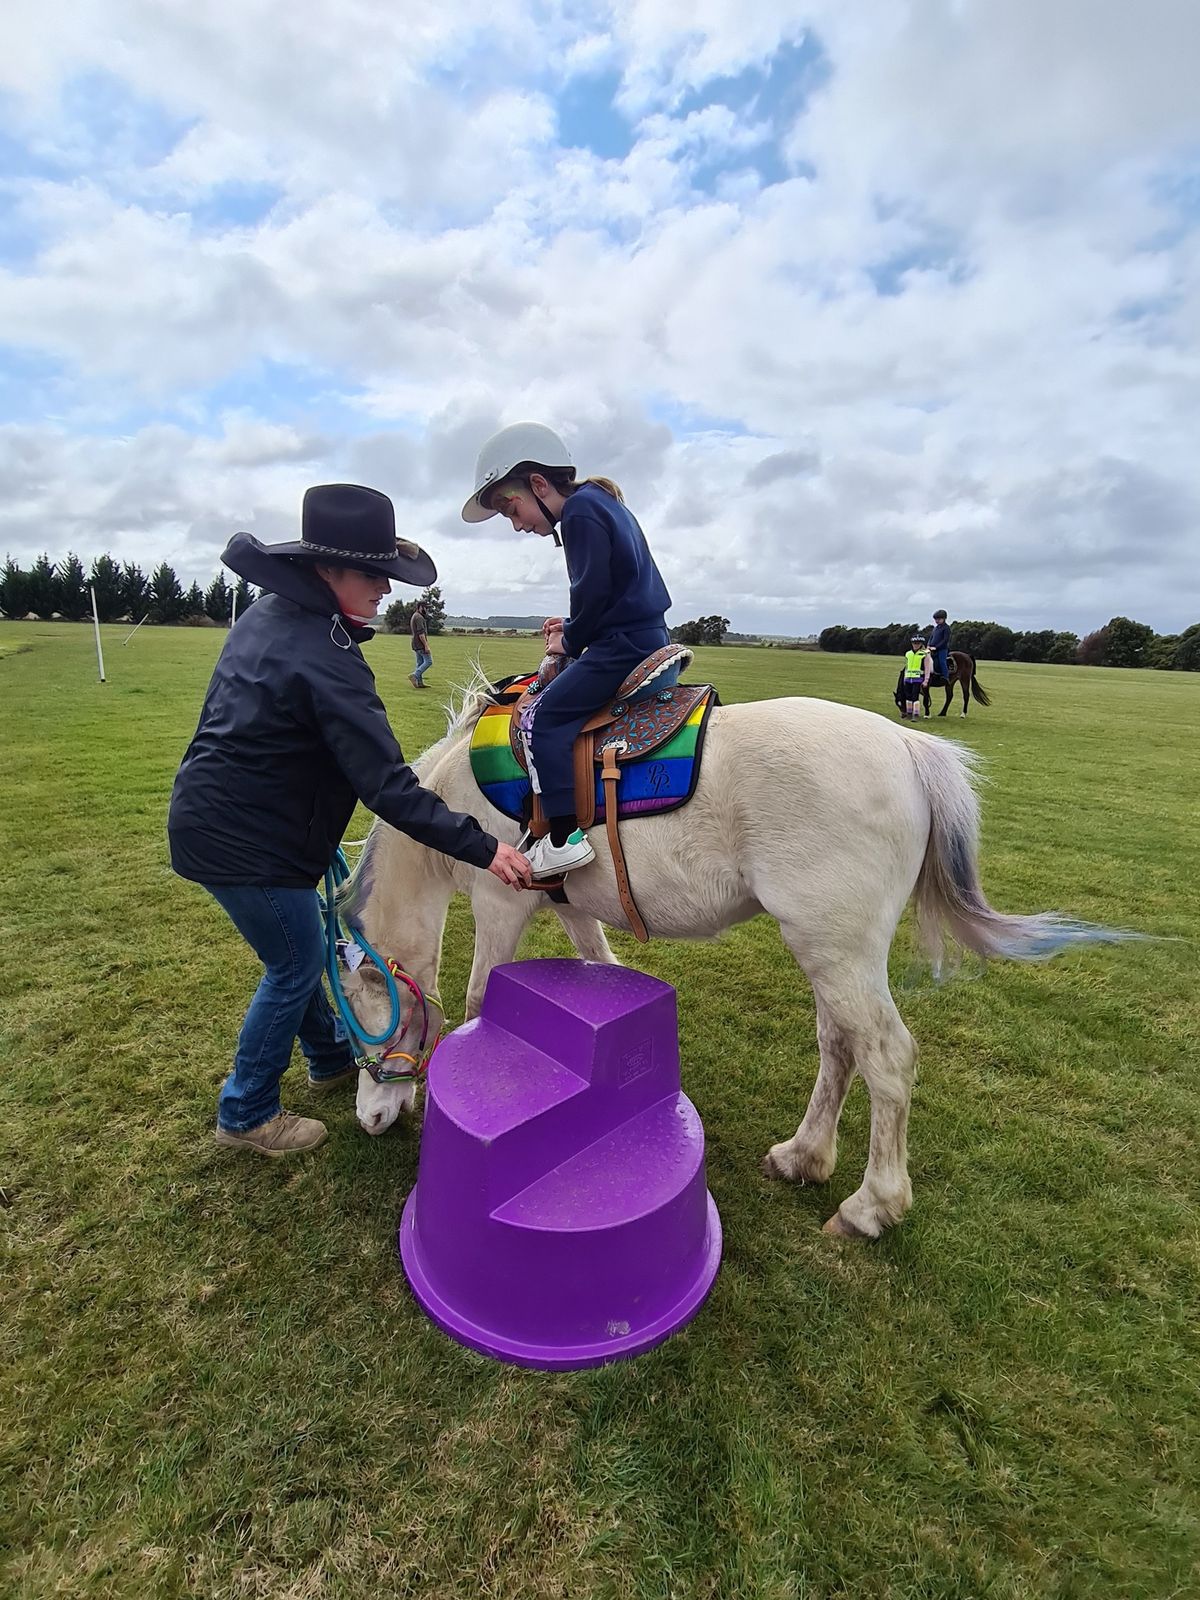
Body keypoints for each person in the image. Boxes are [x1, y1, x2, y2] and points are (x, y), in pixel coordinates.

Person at [168, 484, 531, 1157]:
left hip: (225, 825)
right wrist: (483, 847)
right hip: (246, 842)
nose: (385, 590)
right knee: (297, 963)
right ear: (325, 569)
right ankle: (246, 1111)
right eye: (372, 574)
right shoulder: (324, 655)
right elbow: (389, 787)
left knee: (296, 951)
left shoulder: (274, 616)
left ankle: (331, 1058)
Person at [462, 423, 672, 879]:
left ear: (538, 484)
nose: (517, 524)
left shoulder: (578, 513)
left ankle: (561, 839)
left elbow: (592, 596)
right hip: (648, 636)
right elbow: (609, 595)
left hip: (623, 648)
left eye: (511, 508)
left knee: (543, 717)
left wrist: (569, 640)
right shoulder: (603, 503)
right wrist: (574, 627)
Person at [409, 601, 432, 689]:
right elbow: (421, 634)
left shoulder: (415, 615)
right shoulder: (419, 617)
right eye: (426, 607)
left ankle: (419, 683)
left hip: (415, 643)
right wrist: (426, 645)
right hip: (420, 643)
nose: (427, 609)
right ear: (421, 607)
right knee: (428, 661)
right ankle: (415, 675)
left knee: (420, 663)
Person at [903, 635, 927, 719]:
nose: (916, 645)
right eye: (914, 643)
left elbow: (927, 668)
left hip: (918, 678)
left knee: (915, 696)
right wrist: (904, 677)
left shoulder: (924, 654)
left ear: (921, 644)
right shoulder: (908, 654)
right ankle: (909, 713)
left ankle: (915, 714)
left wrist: (926, 680)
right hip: (908, 678)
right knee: (908, 696)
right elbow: (906, 666)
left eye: (918, 643)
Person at [927, 609, 951, 683]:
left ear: (944, 619)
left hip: (942, 649)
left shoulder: (946, 628)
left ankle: (945, 677)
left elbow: (945, 640)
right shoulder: (935, 628)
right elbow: (931, 637)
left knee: (942, 661)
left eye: (939, 619)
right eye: (935, 619)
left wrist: (936, 647)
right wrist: (928, 645)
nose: (937, 621)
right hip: (932, 649)